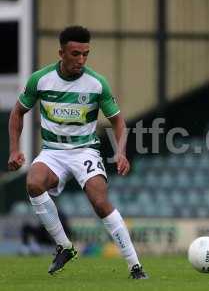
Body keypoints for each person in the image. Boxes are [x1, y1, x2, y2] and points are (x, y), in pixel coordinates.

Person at [8, 25, 148, 279]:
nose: (81, 60)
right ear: (61, 53)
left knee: (99, 202)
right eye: (75, 54)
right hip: (53, 151)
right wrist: (14, 150)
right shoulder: (40, 79)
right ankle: (65, 246)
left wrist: (122, 153)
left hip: (85, 150)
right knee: (33, 183)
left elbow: (118, 121)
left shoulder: (96, 83)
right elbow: (17, 112)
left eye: (86, 54)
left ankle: (135, 266)